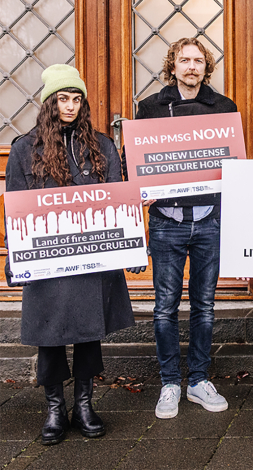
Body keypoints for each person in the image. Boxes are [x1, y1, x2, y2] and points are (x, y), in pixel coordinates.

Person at [4, 65, 137, 444]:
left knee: (87, 331)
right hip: (47, 260)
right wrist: (16, 257)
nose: (71, 106)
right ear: (49, 102)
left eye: (76, 99)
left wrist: (130, 247)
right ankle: (53, 408)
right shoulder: (24, 149)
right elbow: (14, 208)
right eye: (63, 98)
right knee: (50, 334)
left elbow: (117, 197)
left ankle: (83, 403)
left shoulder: (101, 146)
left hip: (90, 259)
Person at [133, 37, 237, 419]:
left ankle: (198, 380)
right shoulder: (150, 109)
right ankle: (169, 384)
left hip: (209, 219)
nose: (191, 66)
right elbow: (137, 162)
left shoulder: (224, 108)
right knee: (164, 308)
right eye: (184, 60)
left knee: (205, 306)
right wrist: (140, 188)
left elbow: (232, 163)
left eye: (198, 60)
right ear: (172, 66)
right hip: (166, 222)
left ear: (205, 67)